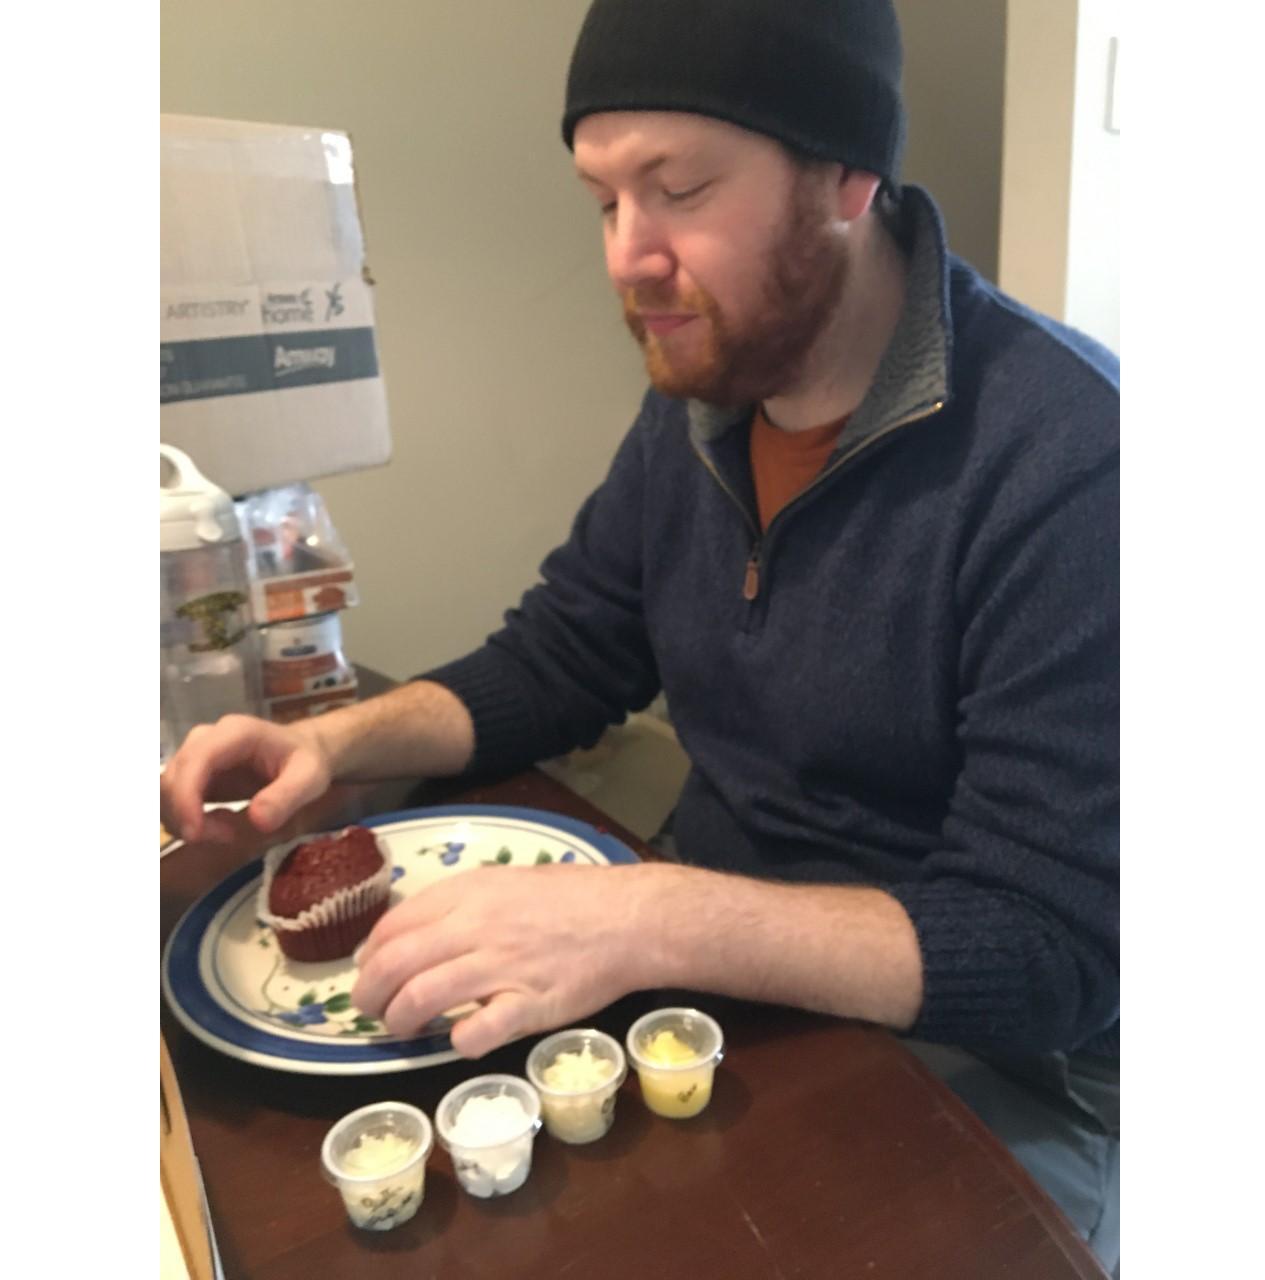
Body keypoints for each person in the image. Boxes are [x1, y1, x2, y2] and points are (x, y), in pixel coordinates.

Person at [161, 0, 1118, 1269]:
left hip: (971, 1073)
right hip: (698, 988)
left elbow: (1045, 950)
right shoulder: (706, 398)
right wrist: (337, 743)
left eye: (677, 187)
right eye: (603, 199)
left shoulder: (1074, 461)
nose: (625, 254)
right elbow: (566, 649)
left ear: (846, 173)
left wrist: (644, 917)